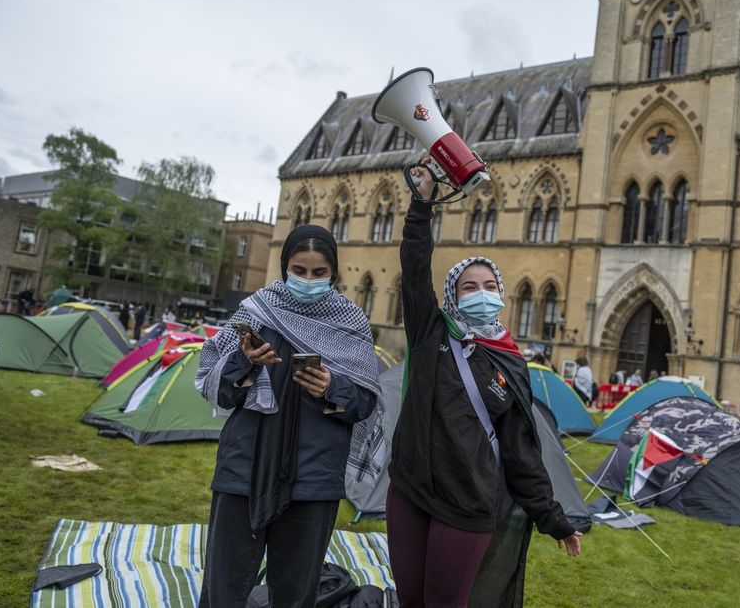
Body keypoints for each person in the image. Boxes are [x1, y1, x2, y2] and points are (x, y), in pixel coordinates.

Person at [388, 164, 581, 608]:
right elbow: (414, 266)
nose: (480, 293)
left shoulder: (510, 360)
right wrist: (422, 202)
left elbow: (520, 451)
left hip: (469, 503)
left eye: (489, 285)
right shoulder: (429, 332)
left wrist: (554, 519)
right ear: (453, 295)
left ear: (501, 293)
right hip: (412, 489)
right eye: (469, 287)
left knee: (445, 602)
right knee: (409, 600)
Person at [195, 225, 382, 608]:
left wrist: (331, 388)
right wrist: (244, 363)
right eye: (299, 271)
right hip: (243, 469)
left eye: (318, 272)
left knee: (296, 592)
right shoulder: (256, 310)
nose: (308, 280)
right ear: (285, 267)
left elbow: (364, 405)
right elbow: (221, 393)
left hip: (313, 478)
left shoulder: (351, 323)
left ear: (334, 271)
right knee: (224, 587)